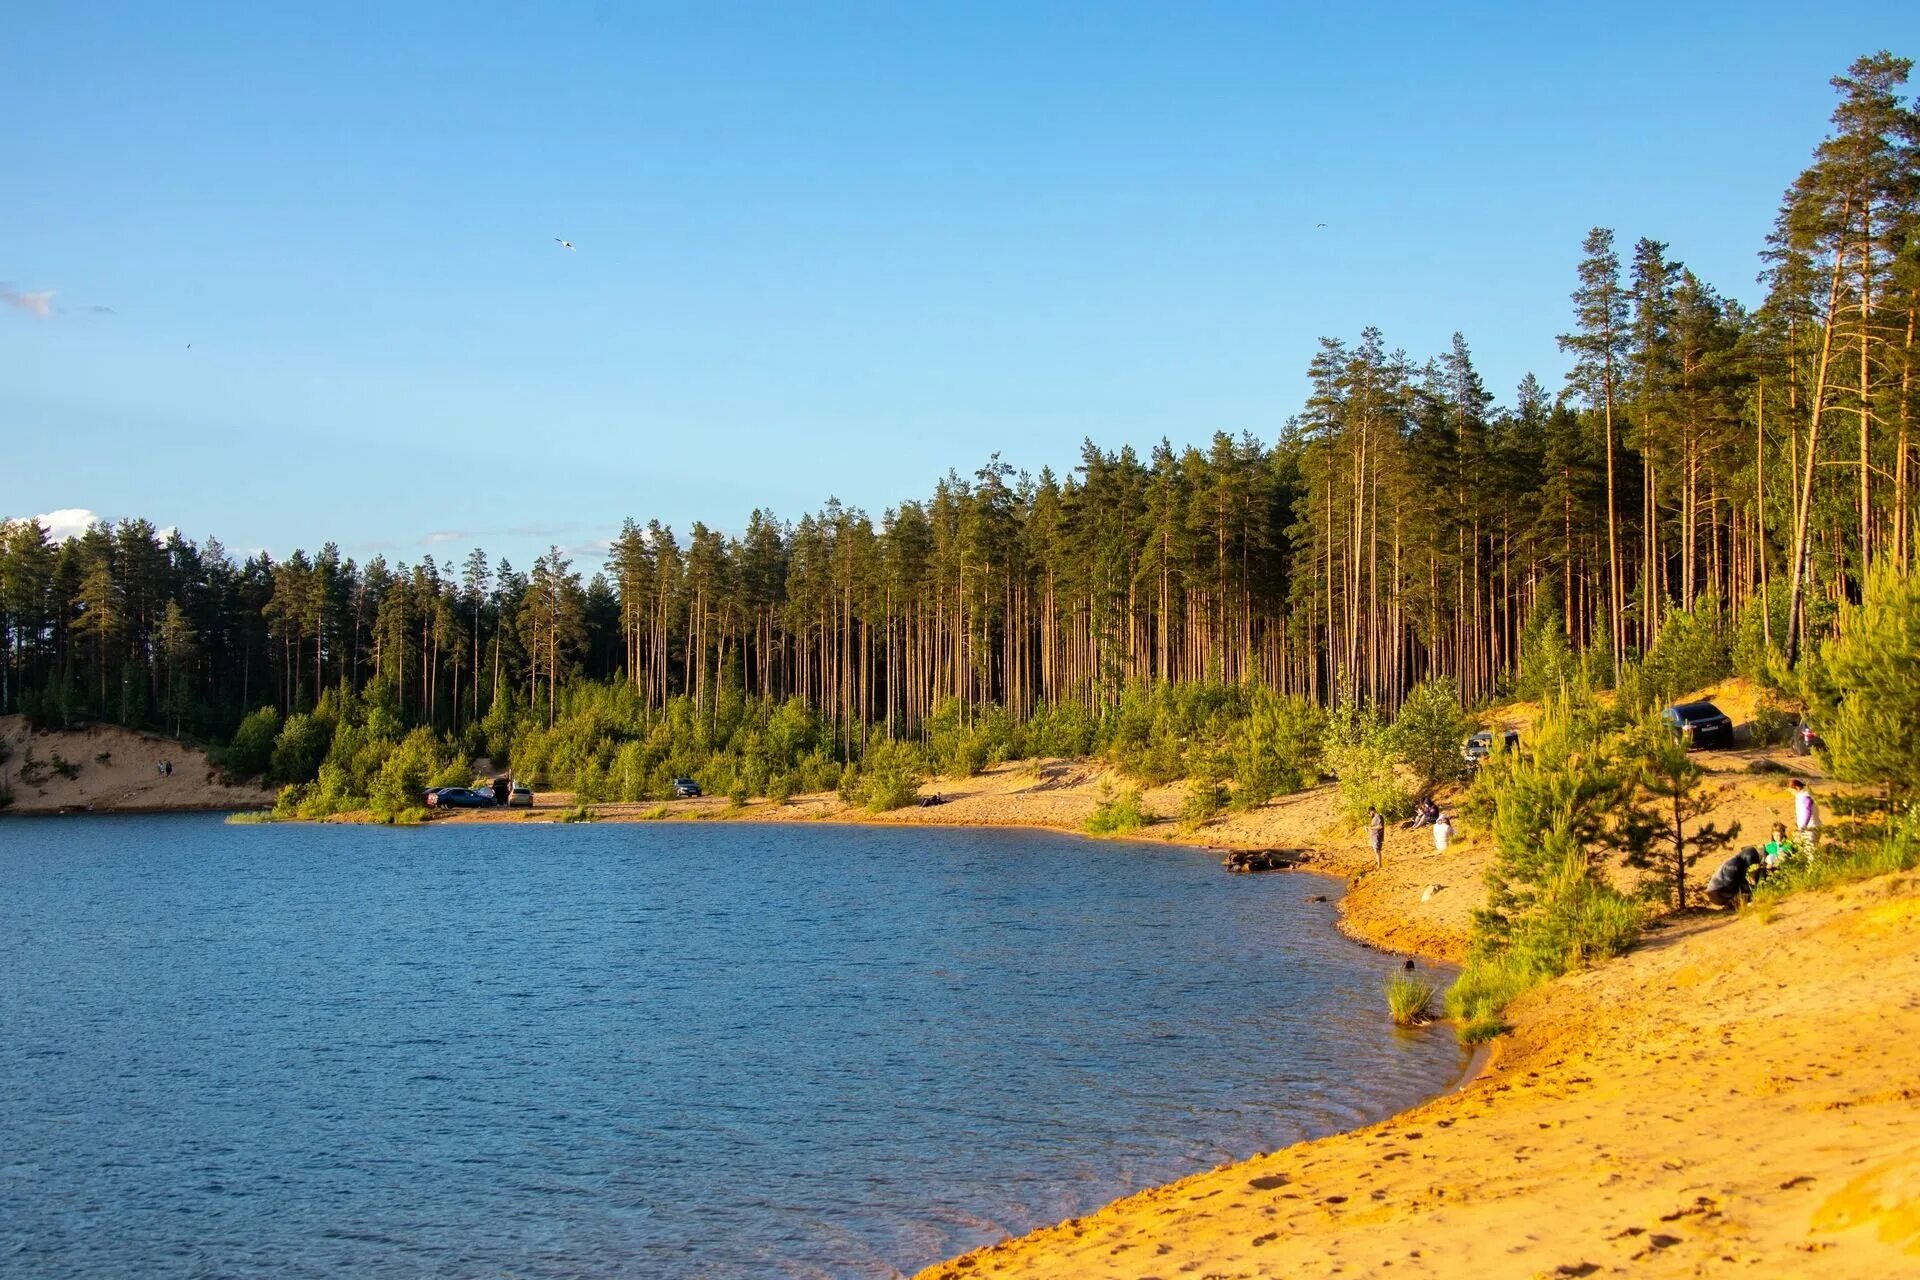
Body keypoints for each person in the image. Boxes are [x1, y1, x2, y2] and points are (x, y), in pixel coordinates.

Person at [1789, 777, 1821, 855]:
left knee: (1810, 852)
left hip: (1810, 828)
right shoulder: (1802, 796)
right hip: (1809, 828)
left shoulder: (1805, 797)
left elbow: (1807, 811)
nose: (1791, 792)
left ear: (1797, 788)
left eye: (1791, 790)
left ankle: (1813, 867)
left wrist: (1803, 825)